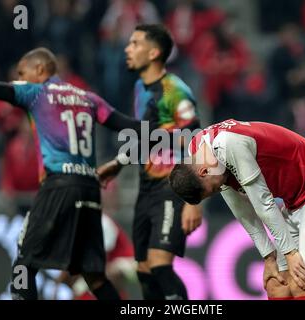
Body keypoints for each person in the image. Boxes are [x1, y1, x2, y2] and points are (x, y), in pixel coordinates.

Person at [0, 47, 146, 300]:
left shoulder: (36, 93)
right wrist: (125, 158)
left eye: (22, 72)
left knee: (23, 266)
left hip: (58, 186)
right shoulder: (89, 99)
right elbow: (132, 128)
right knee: (94, 277)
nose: (18, 78)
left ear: (40, 70)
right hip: (89, 190)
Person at [169, 119, 305, 300]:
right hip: (295, 202)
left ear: (203, 172)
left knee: (301, 282)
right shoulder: (200, 155)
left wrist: (290, 253)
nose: (219, 190)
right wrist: (268, 256)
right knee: (277, 286)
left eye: (213, 190)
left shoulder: (228, 144)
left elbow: (263, 202)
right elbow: (241, 210)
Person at [97, 24, 202, 300]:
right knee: (143, 270)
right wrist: (119, 163)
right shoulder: (140, 88)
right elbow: (146, 135)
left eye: (134, 43)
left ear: (154, 53)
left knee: (159, 266)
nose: (127, 49)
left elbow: (196, 140)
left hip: (172, 186)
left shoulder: (175, 90)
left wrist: (194, 200)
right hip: (146, 188)